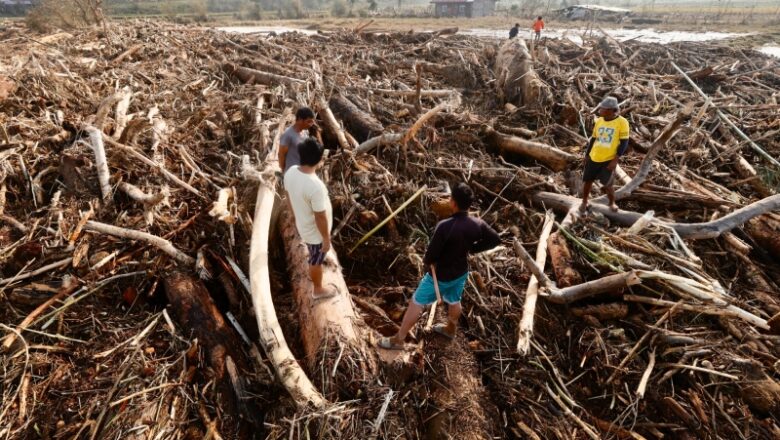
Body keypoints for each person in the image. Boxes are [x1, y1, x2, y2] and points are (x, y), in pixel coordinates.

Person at [379, 183, 501, 349]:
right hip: (460, 272)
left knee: (416, 301)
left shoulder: (444, 226)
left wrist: (428, 262)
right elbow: (495, 239)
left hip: (440, 275)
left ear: (453, 203)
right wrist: (473, 249)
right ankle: (450, 329)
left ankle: (398, 340)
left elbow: (430, 257)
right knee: (454, 299)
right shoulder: (477, 224)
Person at [284, 138, 337, 300]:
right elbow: (320, 216)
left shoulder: (291, 171)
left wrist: (294, 214)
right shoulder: (315, 186)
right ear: (319, 159)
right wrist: (326, 239)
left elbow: (287, 194)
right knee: (315, 260)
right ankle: (318, 289)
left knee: (316, 255)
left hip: (303, 223)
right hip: (315, 234)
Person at [580, 96, 630, 214]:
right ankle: (584, 201)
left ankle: (612, 203)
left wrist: (615, 160)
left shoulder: (622, 122)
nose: (600, 110)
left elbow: (624, 143)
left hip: (608, 159)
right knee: (588, 181)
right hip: (594, 156)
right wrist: (587, 155)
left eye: (603, 108)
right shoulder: (599, 121)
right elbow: (593, 139)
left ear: (611, 110)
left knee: (608, 184)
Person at [279, 107, 317, 174]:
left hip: (302, 173)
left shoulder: (305, 133)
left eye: (312, 122)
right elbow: (281, 155)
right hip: (291, 174)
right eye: (308, 121)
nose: (311, 124)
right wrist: (283, 171)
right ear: (299, 119)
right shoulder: (288, 135)